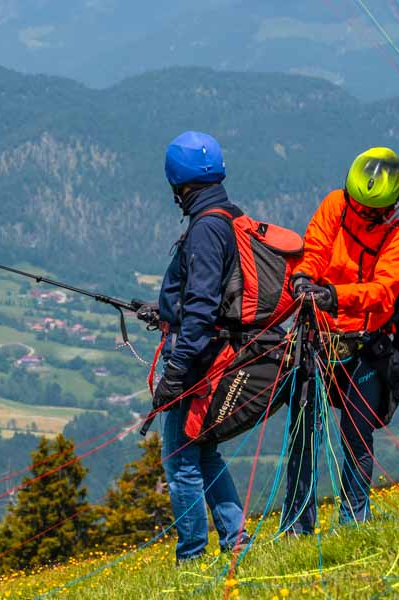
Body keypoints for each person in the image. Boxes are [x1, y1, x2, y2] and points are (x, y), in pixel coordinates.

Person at [281, 147, 399, 534]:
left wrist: (337, 296)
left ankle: (354, 520)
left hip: (365, 343)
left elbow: (384, 290)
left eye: (367, 210)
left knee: (357, 433)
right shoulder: (337, 204)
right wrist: (305, 277)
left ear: (385, 208)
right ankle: (297, 526)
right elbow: (317, 247)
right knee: (302, 432)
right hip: (320, 337)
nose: (359, 213)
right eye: (356, 204)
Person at [151, 131, 251, 562]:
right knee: (203, 451)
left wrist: (176, 370)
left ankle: (191, 554)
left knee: (180, 460)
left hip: (196, 356)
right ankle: (235, 541)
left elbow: (203, 304)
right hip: (209, 348)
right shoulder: (226, 214)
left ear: (178, 181)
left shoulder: (207, 227)